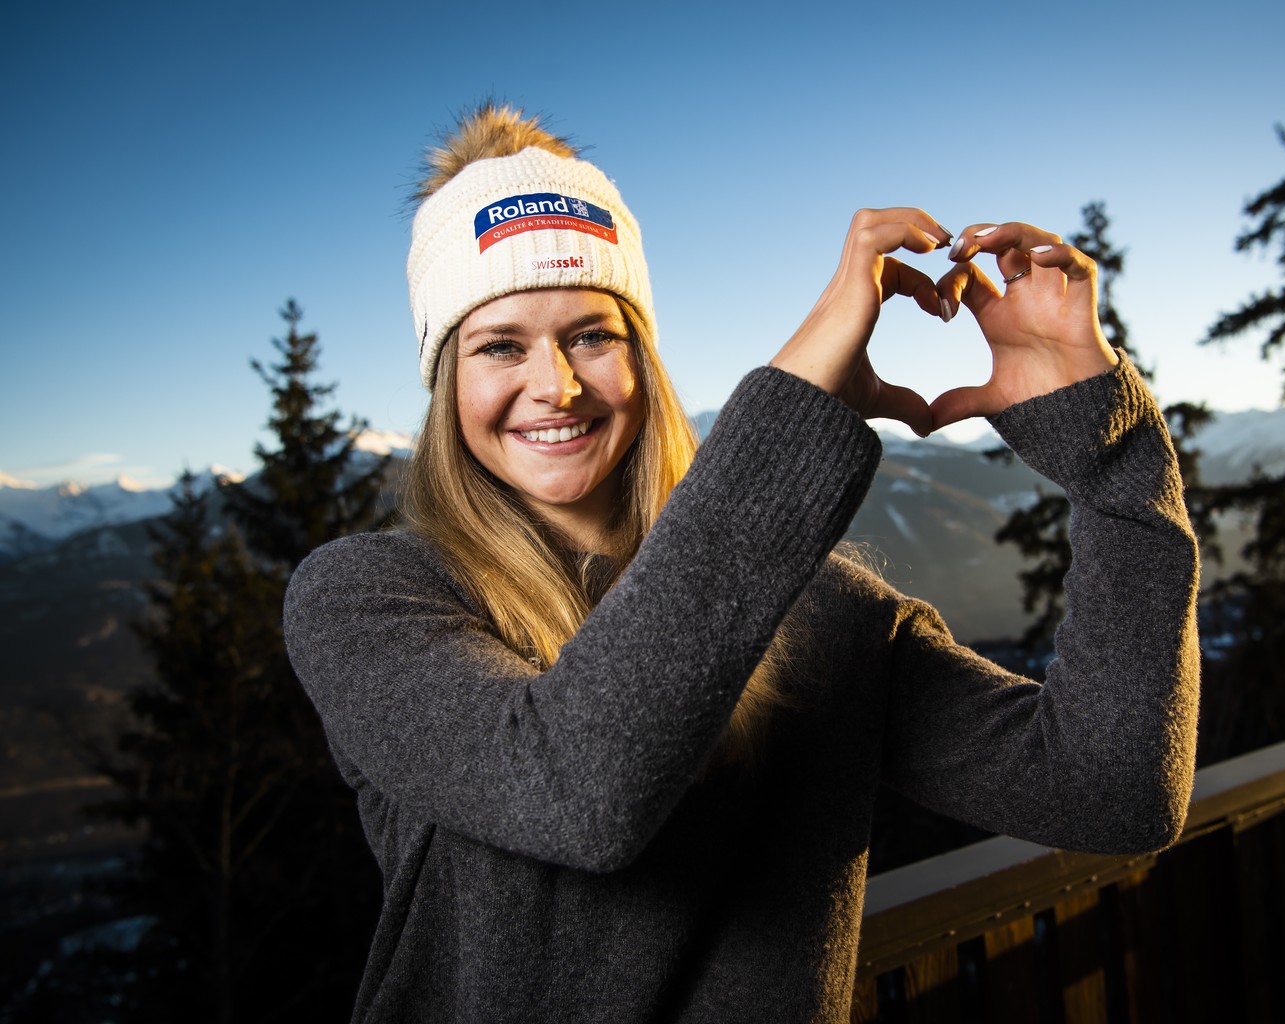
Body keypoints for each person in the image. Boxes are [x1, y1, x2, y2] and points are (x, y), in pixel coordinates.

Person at [283, 102, 1200, 1023]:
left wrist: (1108, 460)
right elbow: (573, 795)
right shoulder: (369, 598)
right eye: (499, 346)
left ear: (644, 359)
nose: (555, 384)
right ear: (447, 385)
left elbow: (1110, 793)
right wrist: (803, 391)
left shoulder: (824, 610)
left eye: (593, 335)